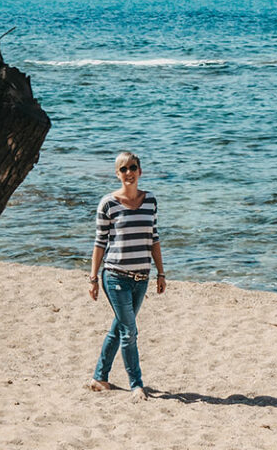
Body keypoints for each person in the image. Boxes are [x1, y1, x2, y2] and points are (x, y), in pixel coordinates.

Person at [88, 150, 166, 400]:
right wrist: (92, 279)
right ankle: (136, 384)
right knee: (130, 332)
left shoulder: (150, 200)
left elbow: (153, 237)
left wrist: (161, 273)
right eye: (123, 169)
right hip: (115, 276)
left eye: (132, 167)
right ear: (117, 174)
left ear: (140, 171)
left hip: (142, 278)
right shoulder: (108, 204)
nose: (129, 173)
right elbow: (100, 243)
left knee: (120, 328)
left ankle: (100, 377)